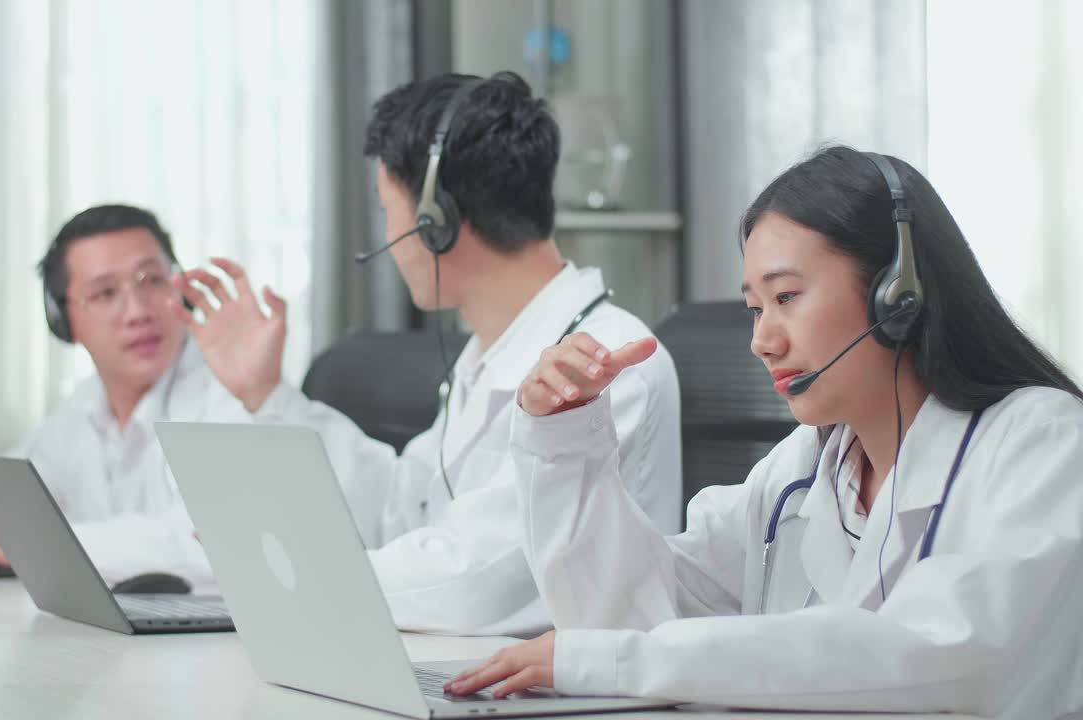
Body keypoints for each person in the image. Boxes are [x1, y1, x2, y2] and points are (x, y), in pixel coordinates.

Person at [445, 146, 1083, 719]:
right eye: (755, 308)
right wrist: (564, 441)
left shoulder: (1043, 443)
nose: (761, 341)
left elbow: (943, 653)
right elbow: (634, 615)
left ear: (898, 294)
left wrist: (615, 661)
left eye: (786, 298)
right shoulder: (803, 468)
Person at [174, 71, 683, 635]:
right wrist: (264, 394)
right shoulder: (486, 357)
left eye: (386, 211)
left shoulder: (606, 362)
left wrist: (284, 573)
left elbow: (479, 583)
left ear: (435, 221)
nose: (388, 238)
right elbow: (402, 511)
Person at [0, 204, 246, 587]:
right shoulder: (86, 405)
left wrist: (27, 545)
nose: (137, 311)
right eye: (104, 293)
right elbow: (30, 478)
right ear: (63, 321)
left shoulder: (232, 394)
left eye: (152, 281)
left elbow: (205, 544)